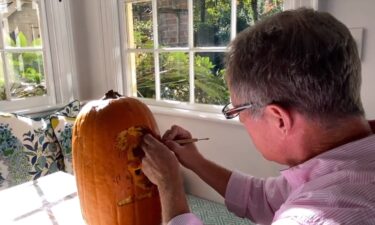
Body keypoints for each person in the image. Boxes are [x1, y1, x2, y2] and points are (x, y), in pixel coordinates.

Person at [140, 8, 375, 225]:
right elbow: (265, 199)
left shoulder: (313, 218)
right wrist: (196, 162)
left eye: (238, 111)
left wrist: (169, 185)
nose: (241, 120)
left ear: (279, 119)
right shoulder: (346, 161)